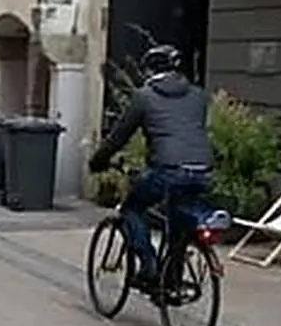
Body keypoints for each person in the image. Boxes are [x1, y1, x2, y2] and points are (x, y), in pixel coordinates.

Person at [88, 44, 214, 291]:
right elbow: (186, 132)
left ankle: (149, 265)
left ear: (149, 70)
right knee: (179, 218)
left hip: (168, 169)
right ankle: (172, 281)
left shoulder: (144, 97)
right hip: (202, 169)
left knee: (132, 208)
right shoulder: (199, 96)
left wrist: (98, 161)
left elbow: (119, 136)